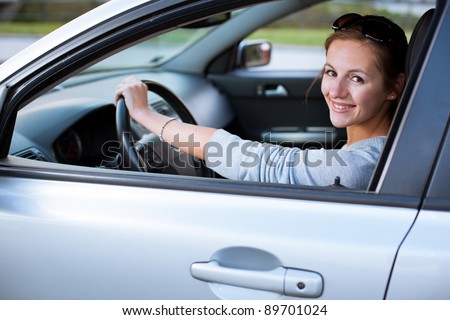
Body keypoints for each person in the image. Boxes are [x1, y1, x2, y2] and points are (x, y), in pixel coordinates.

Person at [114, 13, 408, 189]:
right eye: (331, 72)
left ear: (394, 87)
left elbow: (262, 163)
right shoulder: (385, 148)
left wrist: (145, 114)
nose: (336, 90)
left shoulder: (361, 165)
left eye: (357, 78)